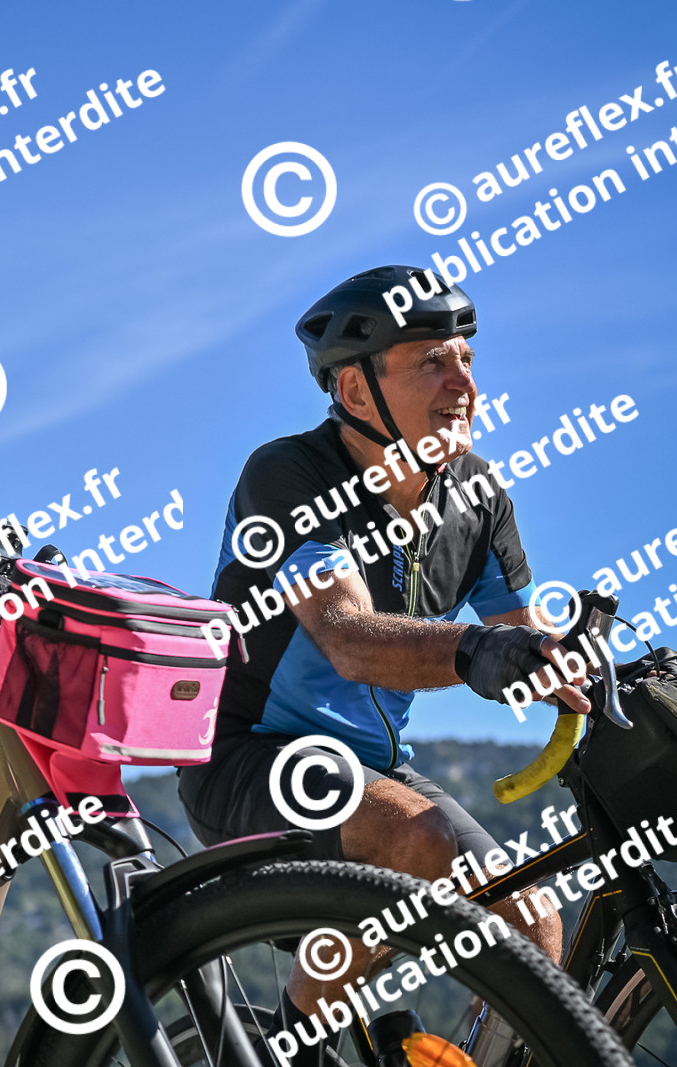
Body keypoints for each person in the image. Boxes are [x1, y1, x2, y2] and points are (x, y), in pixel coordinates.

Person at [176, 265, 589, 1064]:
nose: (464, 382)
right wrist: (473, 650)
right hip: (246, 759)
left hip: (376, 769)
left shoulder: (477, 496)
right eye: (433, 361)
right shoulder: (290, 474)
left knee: (533, 922)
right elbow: (349, 636)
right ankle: (296, 1046)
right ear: (356, 391)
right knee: (417, 836)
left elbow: (524, 641)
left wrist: (599, 670)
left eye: (466, 358)